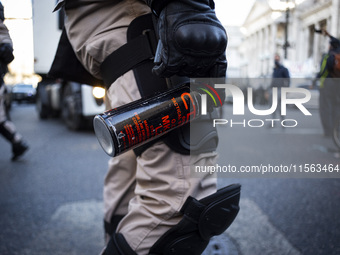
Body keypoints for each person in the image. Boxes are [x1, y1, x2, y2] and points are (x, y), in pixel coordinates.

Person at [52, 0, 240, 254]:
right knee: (181, 199)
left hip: (113, 19)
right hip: (132, 17)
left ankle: (116, 241)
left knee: (130, 168)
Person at [0, 2, 29, 161]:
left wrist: (4, 49)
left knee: (1, 119)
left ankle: (17, 142)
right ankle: (17, 142)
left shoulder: (1, 29)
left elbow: (8, 54)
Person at [317, 29, 340, 137]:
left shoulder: (328, 56)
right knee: (336, 106)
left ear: (330, 46)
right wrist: (329, 35)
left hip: (327, 84)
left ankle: (328, 131)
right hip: (337, 84)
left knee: (325, 108)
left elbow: (323, 72)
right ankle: (336, 130)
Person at [269, 53, 290, 122]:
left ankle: (282, 121)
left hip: (280, 90)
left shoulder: (283, 69)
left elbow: (288, 80)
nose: (276, 60)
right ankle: (273, 121)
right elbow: (273, 81)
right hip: (274, 90)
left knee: (280, 106)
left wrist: (286, 89)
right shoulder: (274, 70)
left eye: (277, 58)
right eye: (275, 58)